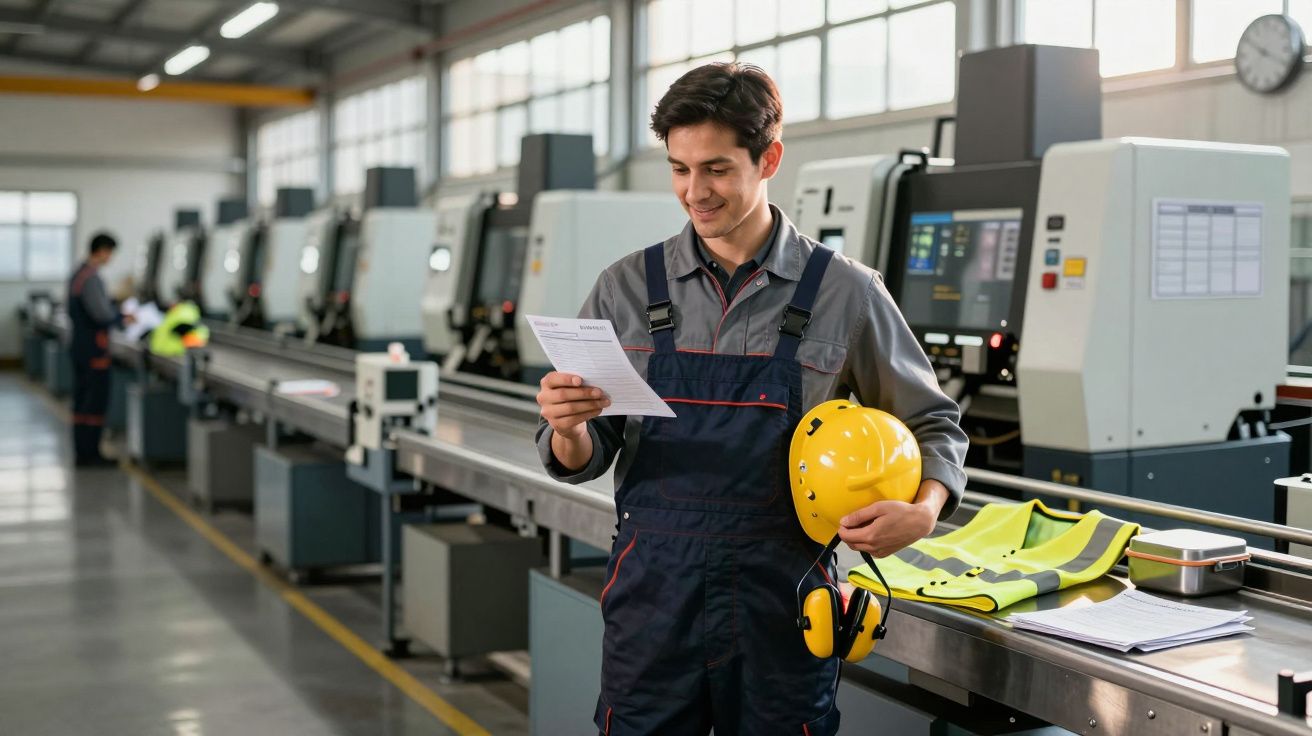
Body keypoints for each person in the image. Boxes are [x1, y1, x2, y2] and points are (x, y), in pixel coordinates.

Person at [534, 63, 969, 735]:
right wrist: (568, 428)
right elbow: (587, 453)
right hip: (654, 607)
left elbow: (934, 424)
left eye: (716, 169)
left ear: (769, 159)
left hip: (783, 609)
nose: (694, 192)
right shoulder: (626, 288)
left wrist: (925, 509)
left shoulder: (846, 294)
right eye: (680, 169)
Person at [67, 232, 132, 467]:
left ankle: (83, 451)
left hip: (80, 346)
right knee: (94, 402)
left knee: (82, 401)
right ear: (102, 251)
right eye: (110, 253)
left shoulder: (78, 274)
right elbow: (101, 314)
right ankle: (91, 454)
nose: (110, 258)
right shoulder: (92, 278)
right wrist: (122, 318)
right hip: (94, 349)